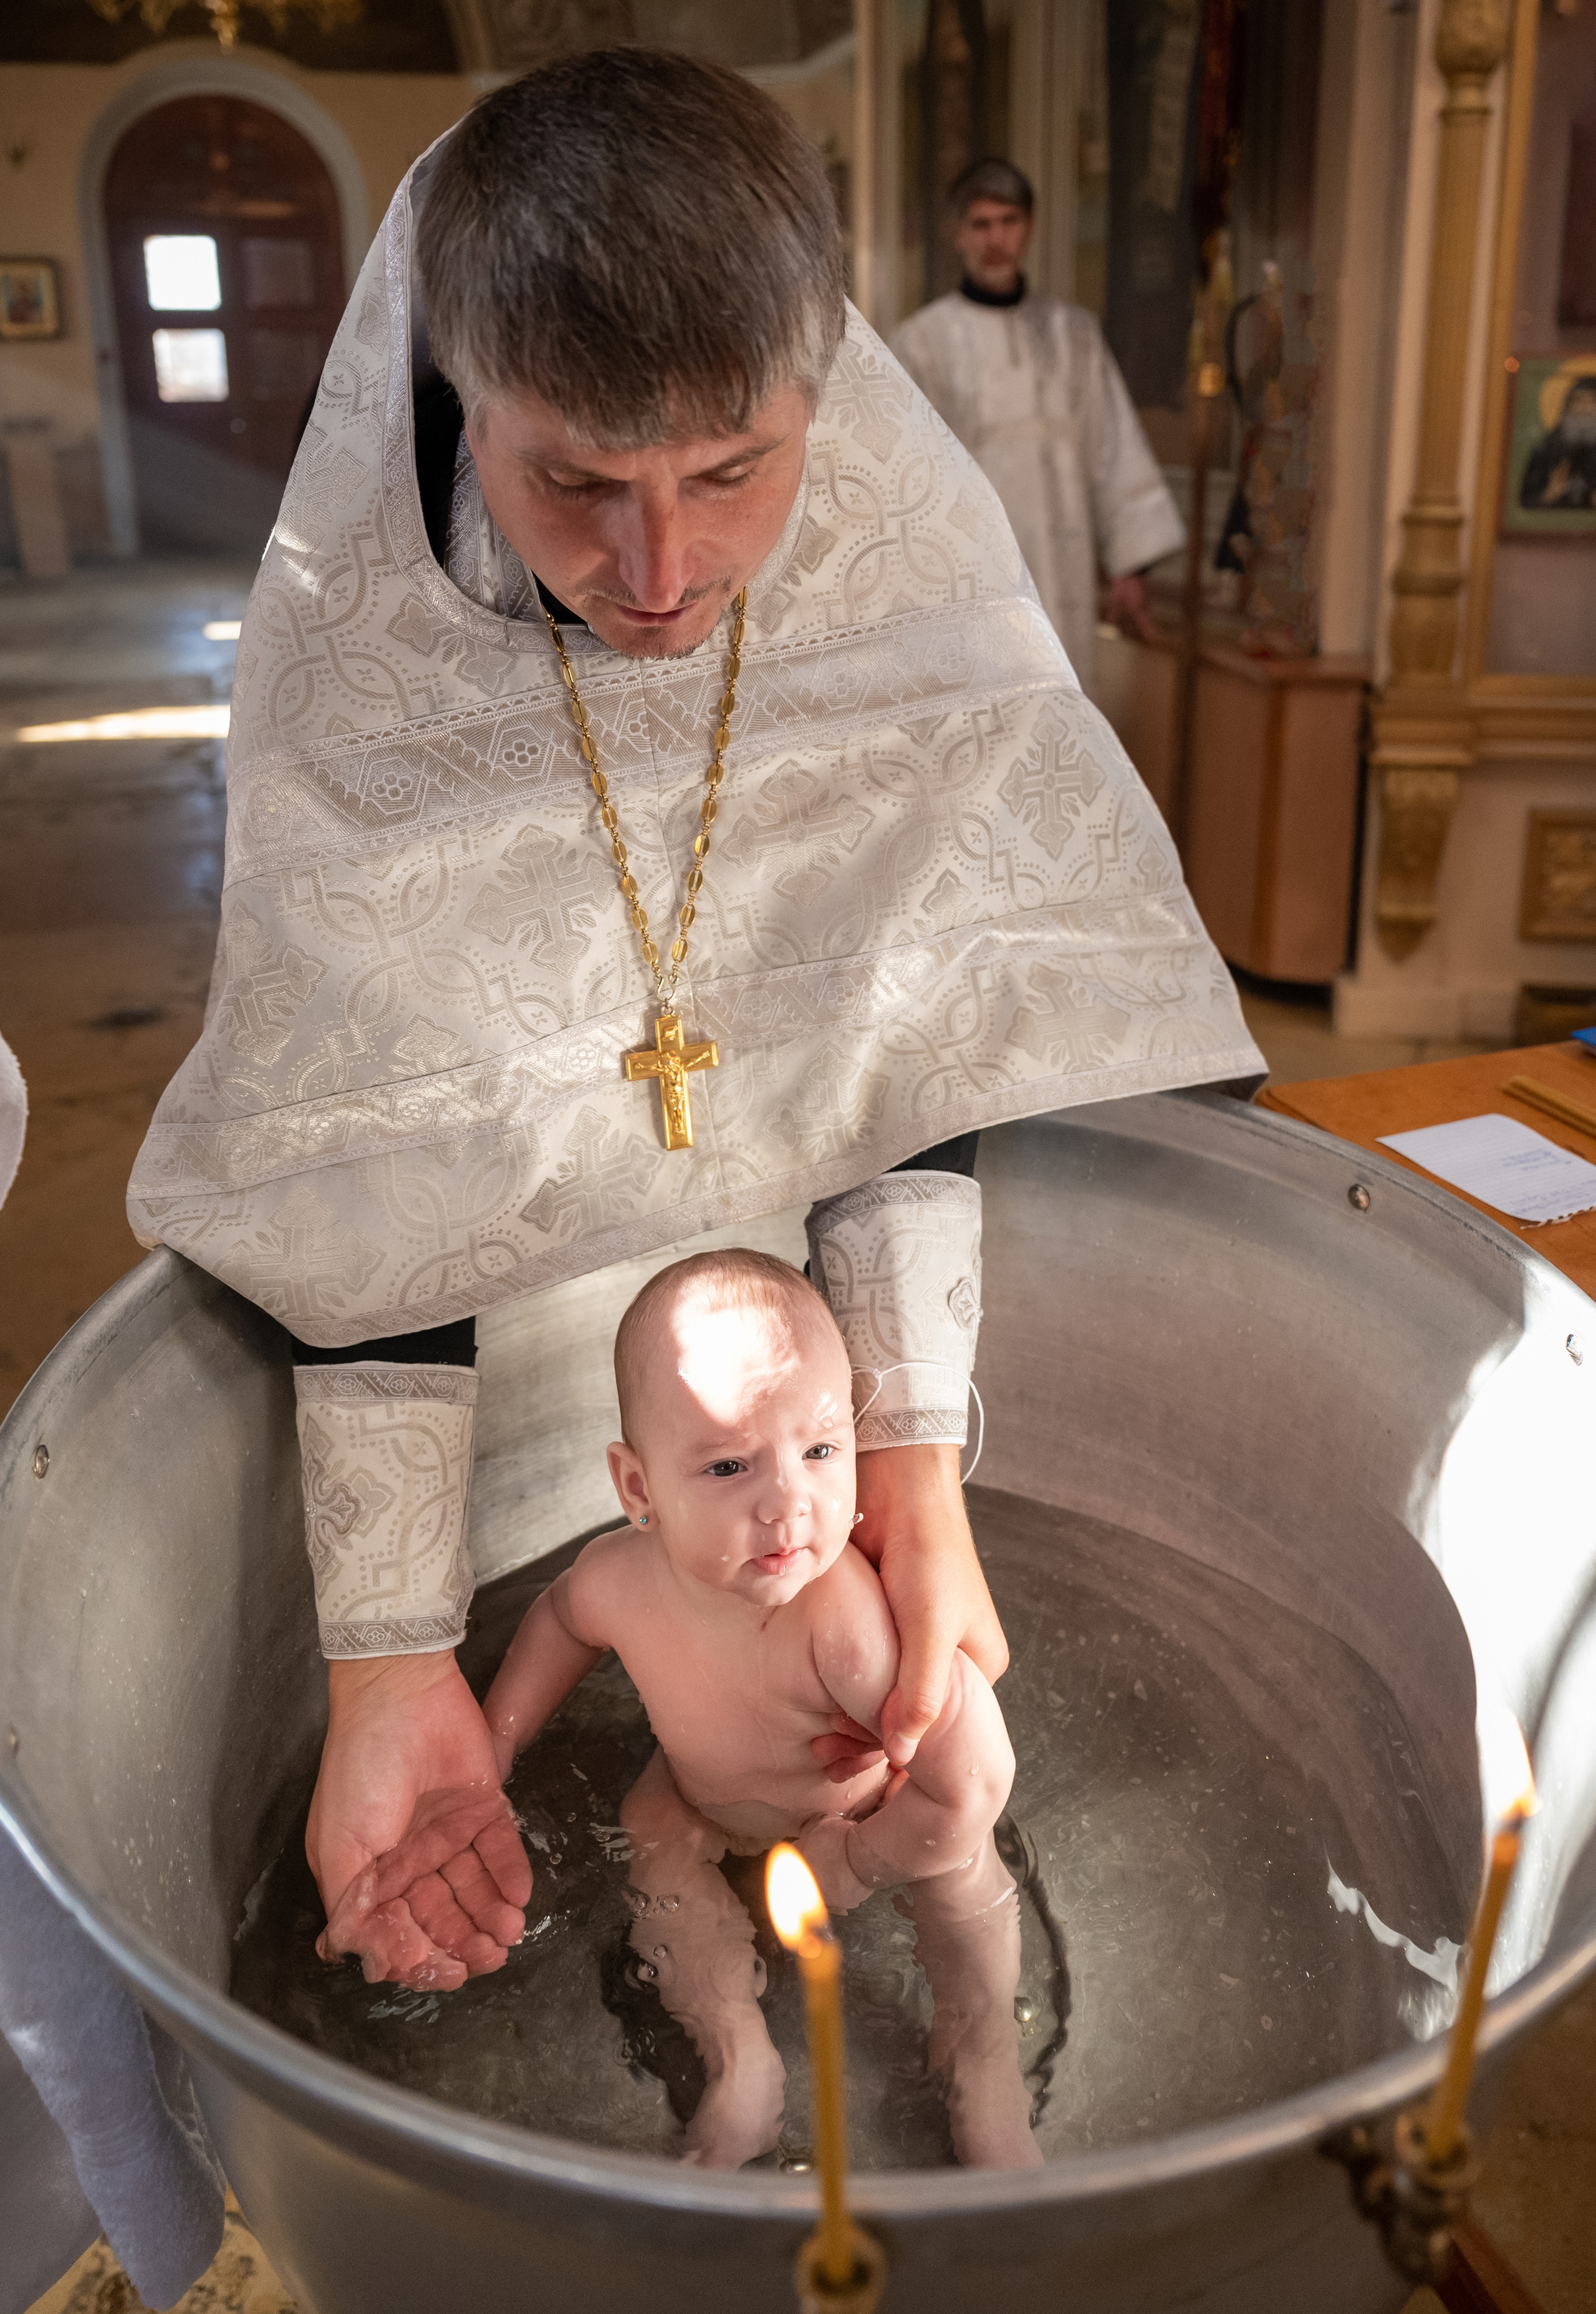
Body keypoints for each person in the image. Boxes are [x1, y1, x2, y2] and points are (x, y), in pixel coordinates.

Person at [127, 54, 1261, 1999]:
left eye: (732, 474)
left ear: (816, 381)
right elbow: (372, 1135)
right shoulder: (358, 642)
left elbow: (917, 1001)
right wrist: (396, 1655)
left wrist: (905, 1467)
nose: (660, 577)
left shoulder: (895, 558)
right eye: (572, 482)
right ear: (456, 389)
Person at [479, 1247, 1039, 2170]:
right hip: (709, 1801)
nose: (789, 1506)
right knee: (654, 1829)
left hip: (871, 1811)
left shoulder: (845, 1626)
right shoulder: (617, 1580)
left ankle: (983, 2055)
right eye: (732, 1465)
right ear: (636, 1489)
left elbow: (973, 1780)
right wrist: (491, 1750)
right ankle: (737, 2054)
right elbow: (556, 1622)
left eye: (822, 1451)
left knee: (961, 1874)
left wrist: (859, 1858)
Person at [891, 158, 1185, 699]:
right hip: (971, 578)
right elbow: (906, 475)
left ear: (1030, 228)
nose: (995, 239)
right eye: (980, 225)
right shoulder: (922, 343)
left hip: (1065, 567)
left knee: (1062, 711)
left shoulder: (1072, 334)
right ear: (958, 234)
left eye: (1008, 222)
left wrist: (1129, 565)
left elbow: (1111, 444)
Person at [1520, 373, 1596, 511]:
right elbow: (1523, 504)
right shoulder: (1546, 449)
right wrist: (1549, 495)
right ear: (1567, 406)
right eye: (1579, 401)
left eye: (1592, 401)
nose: (1585, 408)